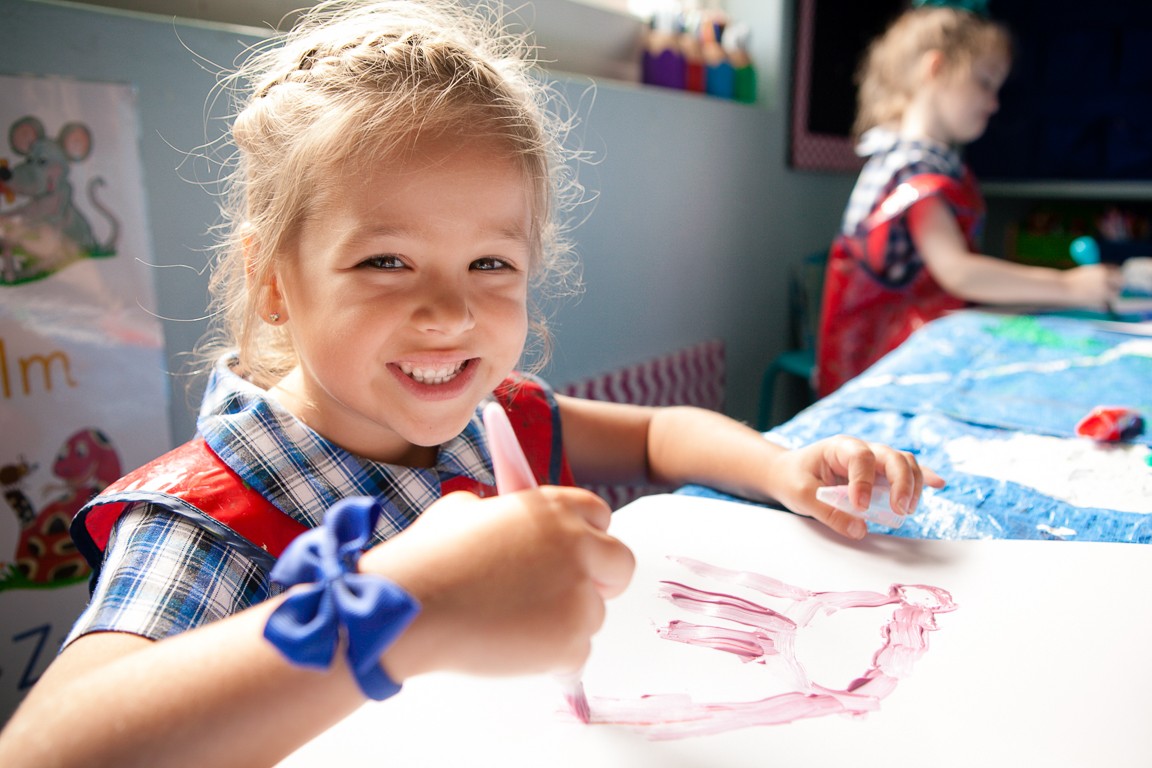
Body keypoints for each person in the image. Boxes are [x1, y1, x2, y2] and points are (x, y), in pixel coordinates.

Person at [0, 1, 941, 765]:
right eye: (385, 262)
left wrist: (781, 468)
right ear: (273, 283)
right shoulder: (211, 517)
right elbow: (45, 749)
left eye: (491, 264)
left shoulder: (486, 424)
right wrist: (406, 608)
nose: (449, 315)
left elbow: (659, 438)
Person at [815, 0, 1123, 397]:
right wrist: (1070, 287)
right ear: (936, 68)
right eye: (984, 82)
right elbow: (958, 272)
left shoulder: (912, 158)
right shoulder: (912, 167)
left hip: (905, 353)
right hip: (882, 375)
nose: (994, 103)